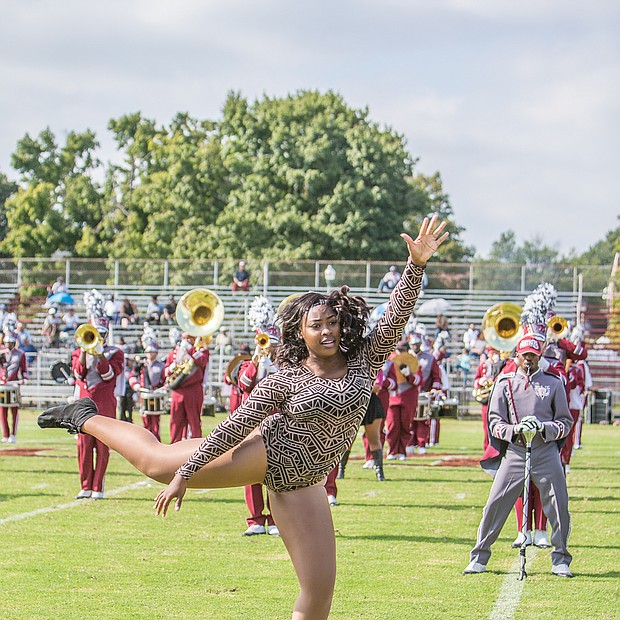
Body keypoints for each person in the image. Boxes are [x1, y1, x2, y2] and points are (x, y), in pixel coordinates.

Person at [37, 216, 448, 620]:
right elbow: (235, 424)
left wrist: (416, 265)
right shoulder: (285, 379)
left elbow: (396, 315)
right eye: (316, 325)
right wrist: (186, 475)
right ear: (299, 333)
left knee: (319, 593)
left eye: (333, 323)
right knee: (158, 464)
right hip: (265, 454)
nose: (327, 332)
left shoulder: (364, 359)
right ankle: (85, 416)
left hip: (306, 483)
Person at [463, 335, 574, 578]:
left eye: (533, 355)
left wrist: (544, 428)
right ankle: (479, 557)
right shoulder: (505, 383)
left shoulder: (553, 383)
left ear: (540, 356)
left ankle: (560, 558)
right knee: (495, 503)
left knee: (558, 504)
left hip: (545, 451)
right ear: (517, 356)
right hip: (515, 451)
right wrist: (514, 430)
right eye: (525, 355)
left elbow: (566, 422)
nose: (529, 359)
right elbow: (494, 422)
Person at [70, 314, 125, 499]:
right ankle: (85, 485)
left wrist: (100, 354)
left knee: (103, 445)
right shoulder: (78, 352)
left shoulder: (115, 353)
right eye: (95, 333)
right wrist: (85, 350)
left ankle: (97, 487)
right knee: (83, 445)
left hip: (105, 403)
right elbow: (79, 374)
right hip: (84, 403)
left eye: (101, 333)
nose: (98, 336)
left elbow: (108, 375)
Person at [164, 332, 209, 443]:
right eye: (184, 338)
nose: (186, 340)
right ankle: (174, 447)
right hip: (177, 391)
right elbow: (166, 373)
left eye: (189, 338)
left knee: (194, 421)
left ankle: (195, 448)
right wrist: (172, 367)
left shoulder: (200, 351)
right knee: (175, 422)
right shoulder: (174, 353)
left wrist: (189, 351)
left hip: (193, 390)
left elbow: (202, 361)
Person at [129, 344, 166, 441]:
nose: (150, 354)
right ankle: (147, 442)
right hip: (144, 395)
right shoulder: (141, 365)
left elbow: (166, 380)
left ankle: (156, 441)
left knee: (155, 421)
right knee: (145, 420)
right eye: (148, 352)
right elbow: (132, 376)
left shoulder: (161, 366)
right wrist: (136, 385)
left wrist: (163, 388)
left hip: (156, 395)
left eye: (152, 351)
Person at [0, 329, 28, 443]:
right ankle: (5, 435)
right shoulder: (1, 353)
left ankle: (13, 434)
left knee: (14, 410)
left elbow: (24, 369)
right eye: (6, 343)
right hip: (2, 385)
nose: (8, 345)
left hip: (13, 384)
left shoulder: (20, 354)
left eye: (10, 343)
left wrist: (24, 378)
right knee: (2, 410)